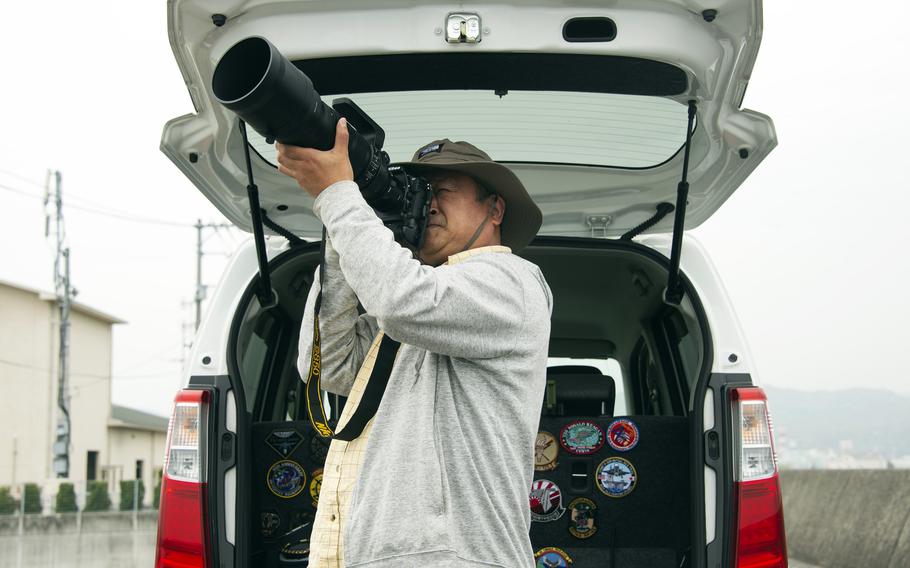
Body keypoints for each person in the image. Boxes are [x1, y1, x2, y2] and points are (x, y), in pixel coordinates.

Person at [278, 118, 552, 568]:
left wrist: (339, 196)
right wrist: (346, 233)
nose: (429, 204)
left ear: (495, 209)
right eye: (421, 192)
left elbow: (402, 299)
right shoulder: (421, 316)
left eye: (443, 189)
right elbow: (329, 364)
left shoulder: (512, 281)